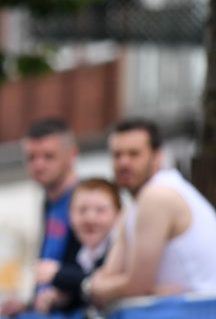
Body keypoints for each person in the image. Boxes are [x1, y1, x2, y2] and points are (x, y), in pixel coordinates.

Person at [84, 117, 216, 306]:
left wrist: (96, 287)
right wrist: (94, 286)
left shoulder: (157, 196)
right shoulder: (134, 206)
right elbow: (109, 277)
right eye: (117, 155)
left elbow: (135, 287)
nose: (124, 163)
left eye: (134, 154)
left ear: (157, 156)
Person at [0, 118, 81, 317]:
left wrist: (62, 289)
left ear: (71, 154)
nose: (39, 165)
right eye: (31, 157)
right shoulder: (48, 203)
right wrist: (28, 306)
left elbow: (94, 273)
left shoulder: (86, 202)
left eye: (48, 156)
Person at [31, 178, 121, 313]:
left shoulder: (122, 250)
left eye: (100, 210)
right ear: (70, 215)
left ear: (119, 214)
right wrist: (55, 298)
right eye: (82, 210)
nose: (90, 218)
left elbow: (102, 283)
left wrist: (59, 275)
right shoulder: (75, 252)